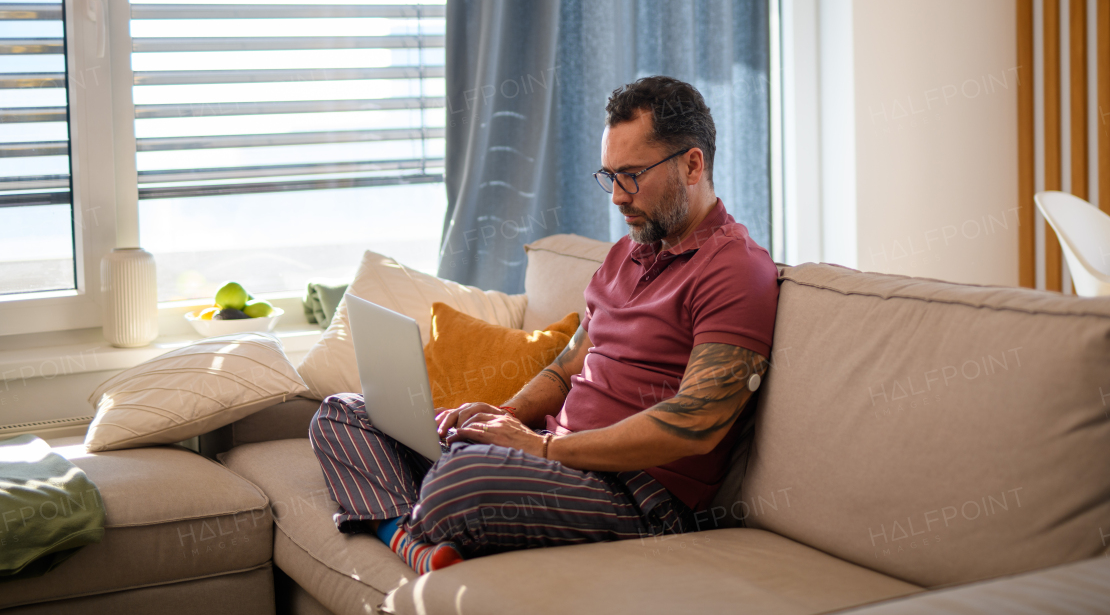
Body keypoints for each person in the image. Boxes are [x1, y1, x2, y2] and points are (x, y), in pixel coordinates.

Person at [309, 75, 779, 574]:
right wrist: (505, 416)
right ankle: (415, 540)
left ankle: (407, 520)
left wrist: (542, 446)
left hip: (638, 495)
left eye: (632, 175)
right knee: (344, 413)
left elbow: (696, 423)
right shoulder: (625, 255)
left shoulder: (735, 268)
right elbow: (565, 367)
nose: (617, 197)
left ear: (692, 164)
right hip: (555, 461)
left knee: (460, 480)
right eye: (609, 176)